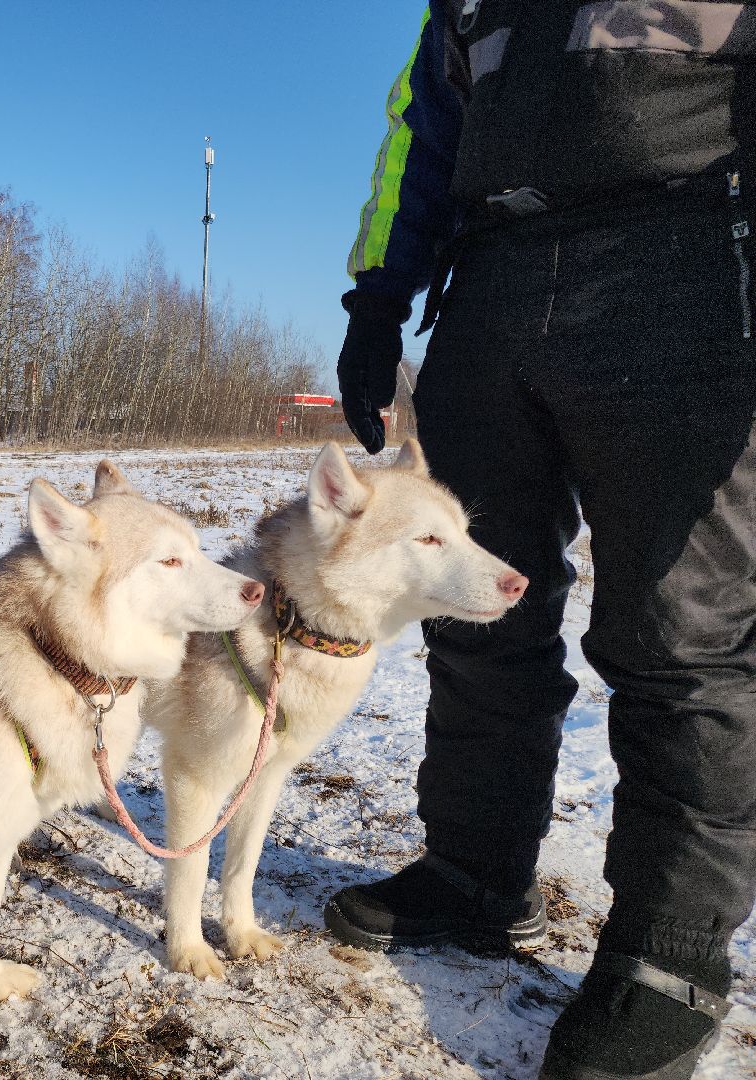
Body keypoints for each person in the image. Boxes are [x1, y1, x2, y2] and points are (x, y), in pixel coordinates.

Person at [328, 5, 756, 1079]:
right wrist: (378, 300)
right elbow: (419, 133)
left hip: (691, 260)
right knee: (476, 608)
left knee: (680, 635)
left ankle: (668, 959)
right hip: (491, 280)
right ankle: (475, 874)